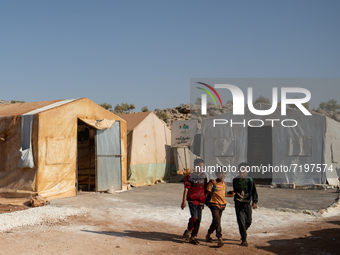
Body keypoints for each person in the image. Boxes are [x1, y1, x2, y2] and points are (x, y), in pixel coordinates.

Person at [181, 158, 207, 245]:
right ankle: (189, 230)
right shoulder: (190, 176)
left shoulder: (204, 176)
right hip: (192, 200)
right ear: (195, 167)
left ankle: (193, 236)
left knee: (199, 219)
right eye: (199, 166)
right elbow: (186, 189)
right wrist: (183, 201)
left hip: (200, 201)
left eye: (202, 167)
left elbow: (205, 189)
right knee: (194, 217)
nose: (201, 168)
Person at [205, 169, 234, 247]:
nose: (222, 175)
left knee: (216, 221)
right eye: (221, 173)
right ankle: (219, 238)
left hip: (222, 205)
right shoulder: (212, 183)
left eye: (224, 173)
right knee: (217, 220)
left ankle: (208, 234)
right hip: (213, 204)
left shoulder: (224, 183)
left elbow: (222, 194)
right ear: (216, 174)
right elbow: (206, 194)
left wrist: (231, 194)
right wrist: (204, 203)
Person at [233, 162, 258, 247]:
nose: (242, 171)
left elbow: (254, 192)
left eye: (244, 169)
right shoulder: (235, 180)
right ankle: (244, 239)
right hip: (238, 203)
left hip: (247, 203)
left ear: (247, 171)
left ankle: (243, 229)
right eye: (240, 169)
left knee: (249, 221)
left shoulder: (249, 180)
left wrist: (254, 202)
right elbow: (235, 191)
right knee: (240, 221)